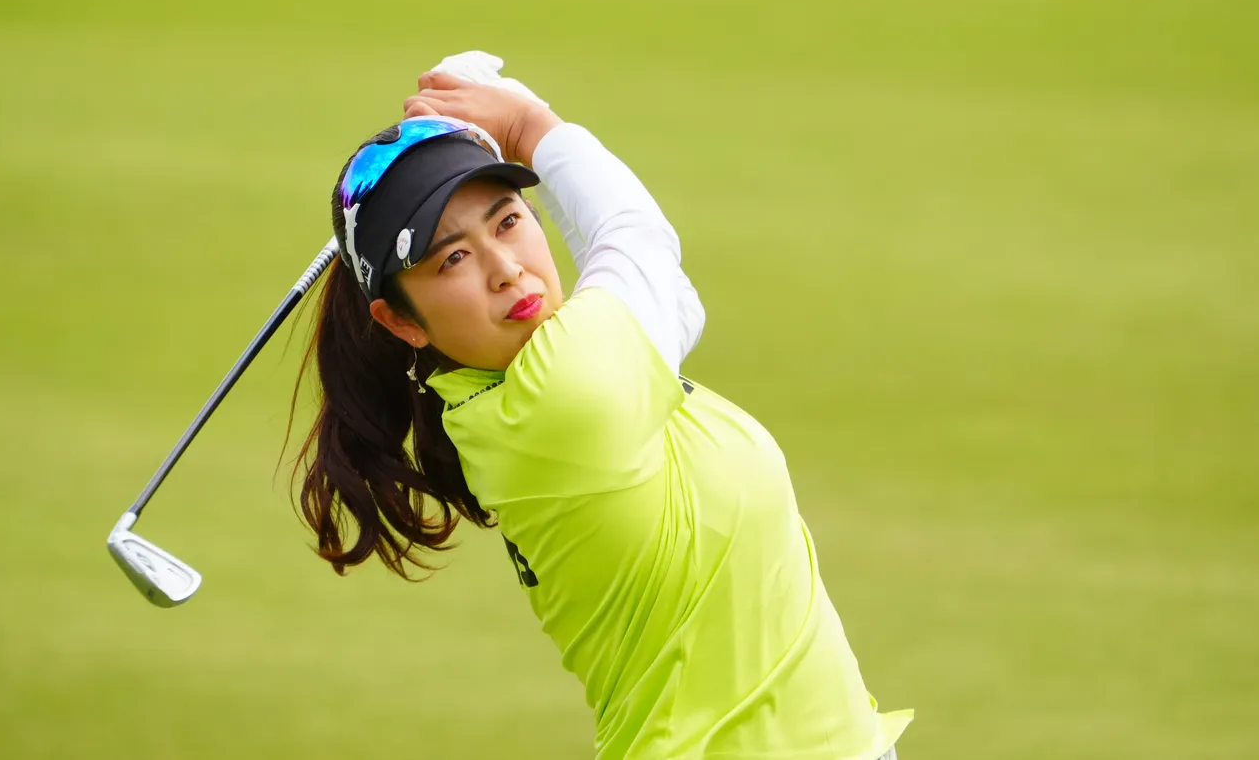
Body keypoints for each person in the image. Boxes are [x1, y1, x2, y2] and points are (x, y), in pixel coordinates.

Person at [289, 55, 912, 759]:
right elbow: (636, 237)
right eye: (451, 259)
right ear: (402, 322)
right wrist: (528, 123)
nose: (506, 268)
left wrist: (525, 134)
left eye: (508, 220)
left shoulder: (538, 383)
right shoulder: (560, 399)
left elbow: (669, 296)